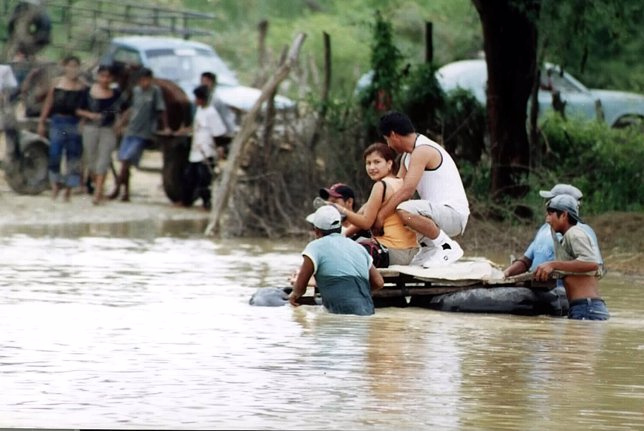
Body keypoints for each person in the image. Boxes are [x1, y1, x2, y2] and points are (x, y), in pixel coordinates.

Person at [375, 111, 470, 267]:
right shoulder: (408, 156)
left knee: (404, 210)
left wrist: (380, 216)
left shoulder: (422, 150)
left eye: (387, 140)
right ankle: (429, 248)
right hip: (437, 214)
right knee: (397, 211)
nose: (388, 145)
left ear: (393, 135)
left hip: (454, 215)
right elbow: (395, 187)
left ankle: (447, 247)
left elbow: (406, 191)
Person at [332, 143, 419, 265]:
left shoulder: (380, 186)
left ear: (389, 164)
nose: (372, 167)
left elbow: (366, 222)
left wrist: (341, 210)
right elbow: (366, 213)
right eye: (368, 163)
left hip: (393, 251)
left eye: (377, 162)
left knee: (339, 254)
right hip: (411, 251)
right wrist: (345, 234)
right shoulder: (400, 182)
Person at [289, 205, 384, 315]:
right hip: (367, 312)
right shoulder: (359, 248)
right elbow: (379, 282)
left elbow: (300, 288)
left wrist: (293, 296)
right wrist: (356, 294)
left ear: (316, 231)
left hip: (341, 314)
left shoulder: (314, 247)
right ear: (340, 227)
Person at [503, 183, 603, 278]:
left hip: (562, 290)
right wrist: (505, 273)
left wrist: (554, 266)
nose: (547, 205)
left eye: (550, 201)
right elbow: (526, 261)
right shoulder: (545, 228)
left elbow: (594, 265)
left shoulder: (580, 231)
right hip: (538, 286)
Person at [534, 194, 609, 320]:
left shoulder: (574, 233)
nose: (547, 219)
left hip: (586, 308)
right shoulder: (567, 237)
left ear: (563, 215)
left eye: (550, 214)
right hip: (584, 307)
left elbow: (592, 262)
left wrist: (552, 265)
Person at [109, 67, 170, 201]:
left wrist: (165, 127)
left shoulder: (155, 92)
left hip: (143, 132)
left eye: (147, 80)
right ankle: (126, 193)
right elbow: (132, 109)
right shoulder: (136, 92)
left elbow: (161, 109)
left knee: (127, 160)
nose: (144, 83)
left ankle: (117, 187)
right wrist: (121, 123)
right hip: (131, 130)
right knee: (125, 162)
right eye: (142, 80)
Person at [37, 55, 86, 201]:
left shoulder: (82, 86)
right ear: (65, 67)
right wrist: (42, 121)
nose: (73, 69)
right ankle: (55, 185)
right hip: (58, 121)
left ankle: (69, 190)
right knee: (55, 153)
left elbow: (86, 106)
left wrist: (82, 122)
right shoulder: (57, 83)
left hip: (73, 123)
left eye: (76, 66)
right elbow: (48, 103)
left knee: (73, 156)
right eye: (70, 66)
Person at [76, 65, 122, 204]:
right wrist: (89, 114)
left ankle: (97, 193)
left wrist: (120, 124)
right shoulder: (87, 92)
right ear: (97, 77)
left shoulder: (116, 94)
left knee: (104, 160)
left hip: (108, 130)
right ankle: (98, 188)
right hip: (90, 128)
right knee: (91, 160)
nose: (105, 79)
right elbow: (77, 110)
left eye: (108, 77)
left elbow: (124, 110)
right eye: (102, 76)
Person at [184, 84, 226, 210]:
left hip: (206, 151)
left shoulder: (211, 113)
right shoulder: (200, 111)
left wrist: (218, 148)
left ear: (201, 99)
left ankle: (206, 203)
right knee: (189, 176)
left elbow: (218, 132)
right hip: (196, 150)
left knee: (204, 178)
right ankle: (187, 200)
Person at [200, 72, 237, 149]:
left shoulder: (216, 100)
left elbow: (224, 120)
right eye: (202, 81)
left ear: (212, 83)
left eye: (205, 81)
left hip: (222, 134)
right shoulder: (205, 99)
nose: (203, 84)